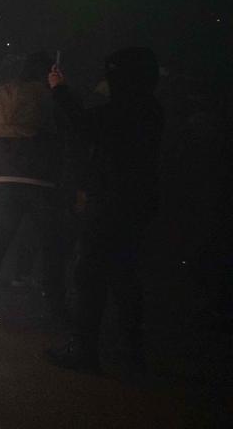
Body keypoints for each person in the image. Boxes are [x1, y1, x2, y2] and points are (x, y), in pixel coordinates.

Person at [47, 48, 164, 371]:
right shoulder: (151, 110)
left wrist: (59, 90)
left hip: (111, 203)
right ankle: (131, 353)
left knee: (89, 276)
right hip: (138, 205)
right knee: (125, 277)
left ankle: (85, 351)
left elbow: (83, 125)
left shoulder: (126, 111)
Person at [0, 51, 69, 322]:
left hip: (5, 178)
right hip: (40, 179)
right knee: (51, 248)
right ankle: (57, 309)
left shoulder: (5, 93)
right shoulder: (48, 95)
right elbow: (65, 129)